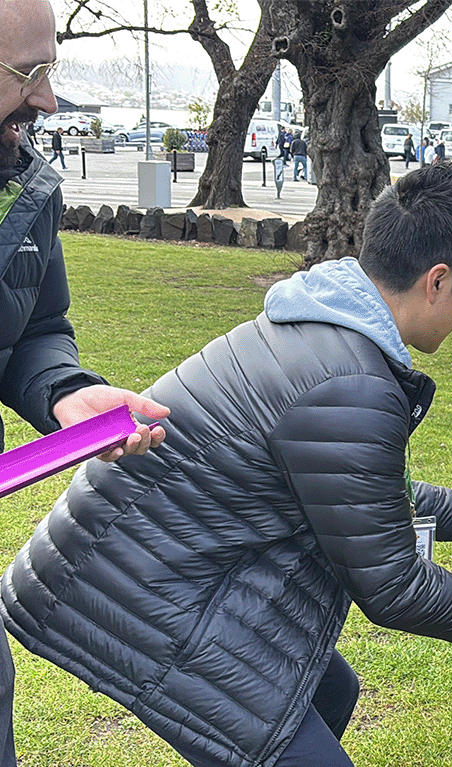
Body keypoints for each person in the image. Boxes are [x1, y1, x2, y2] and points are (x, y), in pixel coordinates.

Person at [1, 163, 452, 767]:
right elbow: (396, 589)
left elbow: (348, 491)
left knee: (330, 690)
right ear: (437, 281)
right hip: (131, 594)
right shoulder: (349, 382)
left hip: (148, 567)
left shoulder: (321, 323)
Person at [0, 2, 170, 765]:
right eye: (26, 73)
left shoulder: (22, 189)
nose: (46, 100)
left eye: (50, 70)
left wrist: (65, 392)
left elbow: (34, 328)